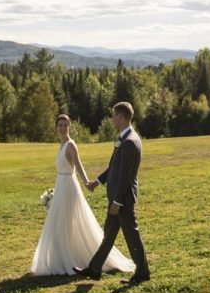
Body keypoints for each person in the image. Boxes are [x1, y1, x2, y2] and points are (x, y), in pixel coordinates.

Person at [29, 114, 136, 277]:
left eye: (66, 125)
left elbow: (78, 165)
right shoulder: (61, 144)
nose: (63, 128)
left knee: (67, 222)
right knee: (60, 223)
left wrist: (87, 182)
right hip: (61, 184)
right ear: (56, 127)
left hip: (69, 187)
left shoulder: (71, 145)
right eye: (60, 125)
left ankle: (76, 260)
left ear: (69, 127)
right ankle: (62, 257)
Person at [74, 102, 151, 285]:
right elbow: (114, 167)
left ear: (122, 117)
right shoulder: (124, 138)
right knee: (108, 235)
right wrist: (98, 181)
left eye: (114, 116)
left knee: (132, 235)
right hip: (116, 199)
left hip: (122, 200)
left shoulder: (130, 142)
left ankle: (142, 273)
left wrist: (117, 201)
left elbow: (125, 176)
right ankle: (94, 269)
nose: (112, 119)